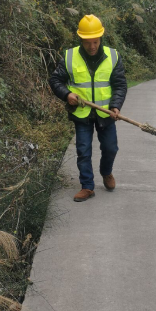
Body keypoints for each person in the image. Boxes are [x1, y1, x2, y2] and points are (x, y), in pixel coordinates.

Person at [49, 15, 127, 202]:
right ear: (81, 40)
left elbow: (119, 85)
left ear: (101, 38)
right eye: (87, 42)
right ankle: (87, 186)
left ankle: (106, 172)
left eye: (95, 42)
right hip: (82, 113)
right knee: (83, 150)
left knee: (111, 148)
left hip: (105, 112)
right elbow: (55, 80)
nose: (92, 46)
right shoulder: (69, 57)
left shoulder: (113, 56)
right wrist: (67, 94)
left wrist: (115, 106)